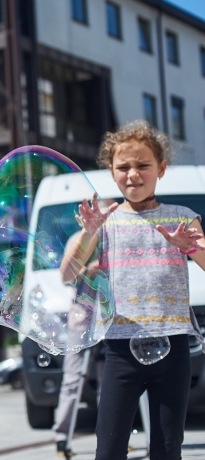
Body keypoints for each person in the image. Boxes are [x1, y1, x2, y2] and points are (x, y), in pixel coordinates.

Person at [62, 120, 205, 460]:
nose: (133, 174)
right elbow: (67, 274)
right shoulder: (104, 221)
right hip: (119, 349)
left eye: (143, 165)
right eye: (123, 167)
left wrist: (192, 248)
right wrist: (88, 233)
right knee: (109, 448)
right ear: (111, 172)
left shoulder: (181, 217)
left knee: (167, 449)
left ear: (161, 168)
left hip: (173, 347)